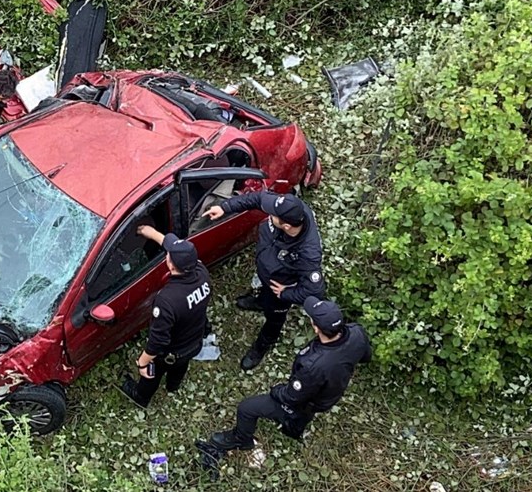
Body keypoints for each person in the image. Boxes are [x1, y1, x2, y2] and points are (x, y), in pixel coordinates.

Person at [195, 296, 371, 460]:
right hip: (328, 394)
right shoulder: (357, 333)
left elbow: (292, 397)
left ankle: (241, 439)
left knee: (247, 408)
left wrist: (276, 391)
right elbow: (365, 356)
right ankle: (295, 426)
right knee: (303, 414)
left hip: (307, 400)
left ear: (316, 327)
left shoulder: (313, 365)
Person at [202, 191, 323, 370]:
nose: (269, 214)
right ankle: (259, 301)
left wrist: (286, 293)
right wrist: (225, 207)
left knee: (274, 319)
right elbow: (257, 198)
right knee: (265, 295)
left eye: (272, 215)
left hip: (280, 288)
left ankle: (262, 346)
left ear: (287, 226)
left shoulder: (308, 253)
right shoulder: (290, 207)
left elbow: (314, 290)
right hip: (266, 272)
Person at [117, 226, 212, 409]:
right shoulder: (201, 272)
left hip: (170, 352)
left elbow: (158, 340)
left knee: (153, 373)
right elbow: (172, 246)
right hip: (193, 342)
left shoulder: (167, 300)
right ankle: (173, 385)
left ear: (170, 265)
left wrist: (143, 362)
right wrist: (149, 231)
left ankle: (141, 397)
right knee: (181, 366)